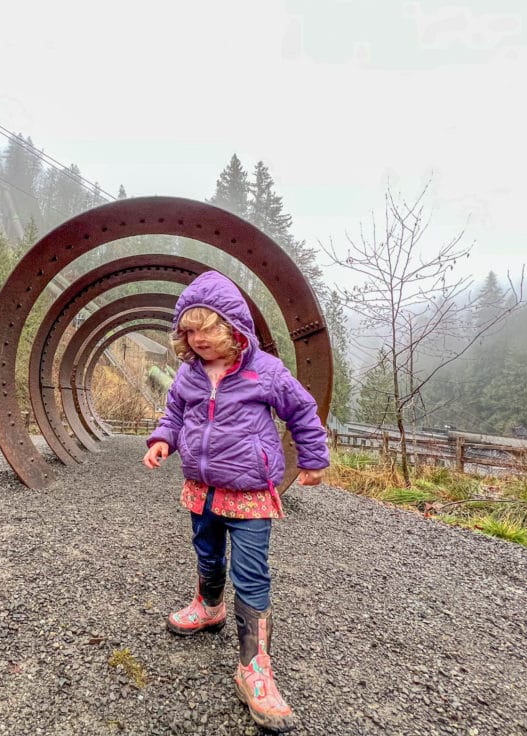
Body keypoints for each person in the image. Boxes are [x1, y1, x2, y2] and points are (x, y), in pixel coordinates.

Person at [143, 270, 329, 733]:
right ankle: (210, 606)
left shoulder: (265, 371)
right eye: (190, 331)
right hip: (202, 488)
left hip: (249, 493)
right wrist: (163, 439)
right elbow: (175, 412)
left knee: (251, 571)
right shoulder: (188, 374)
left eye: (208, 329)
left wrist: (313, 458)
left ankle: (254, 668)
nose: (199, 339)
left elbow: (301, 410)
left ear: (234, 327)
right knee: (207, 553)